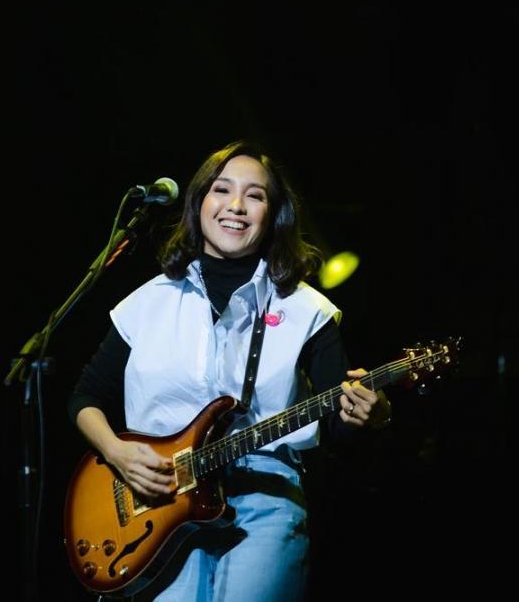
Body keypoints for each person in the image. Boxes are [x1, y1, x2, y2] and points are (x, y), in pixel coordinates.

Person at [68, 139, 392, 601]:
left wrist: (368, 414)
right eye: (222, 190)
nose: (236, 206)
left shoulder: (308, 311)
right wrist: (117, 453)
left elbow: (339, 424)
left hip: (266, 499)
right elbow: (85, 396)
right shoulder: (147, 303)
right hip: (159, 501)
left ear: (273, 214)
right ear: (199, 202)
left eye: (255, 195)